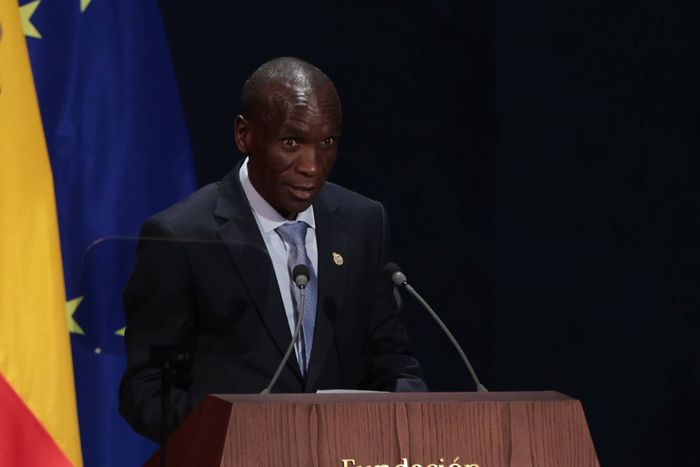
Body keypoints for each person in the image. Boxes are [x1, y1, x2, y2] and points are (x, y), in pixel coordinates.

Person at [119, 57, 426, 442]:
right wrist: (243, 437)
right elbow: (147, 391)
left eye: (327, 142)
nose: (312, 167)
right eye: (291, 142)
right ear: (244, 135)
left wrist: (412, 416)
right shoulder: (181, 237)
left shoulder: (364, 223)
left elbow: (391, 360)